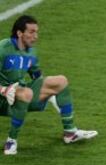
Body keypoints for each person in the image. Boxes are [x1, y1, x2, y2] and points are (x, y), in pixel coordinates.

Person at [0, 15, 97, 155]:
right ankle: (11, 141)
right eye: (31, 32)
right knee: (25, 92)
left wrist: (51, 95)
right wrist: (4, 90)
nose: (35, 36)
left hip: (20, 97)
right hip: (2, 99)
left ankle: (70, 132)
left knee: (60, 81)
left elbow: (37, 77)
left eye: (36, 32)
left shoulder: (31, 51)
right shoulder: (3, 48)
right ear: (19, 33)